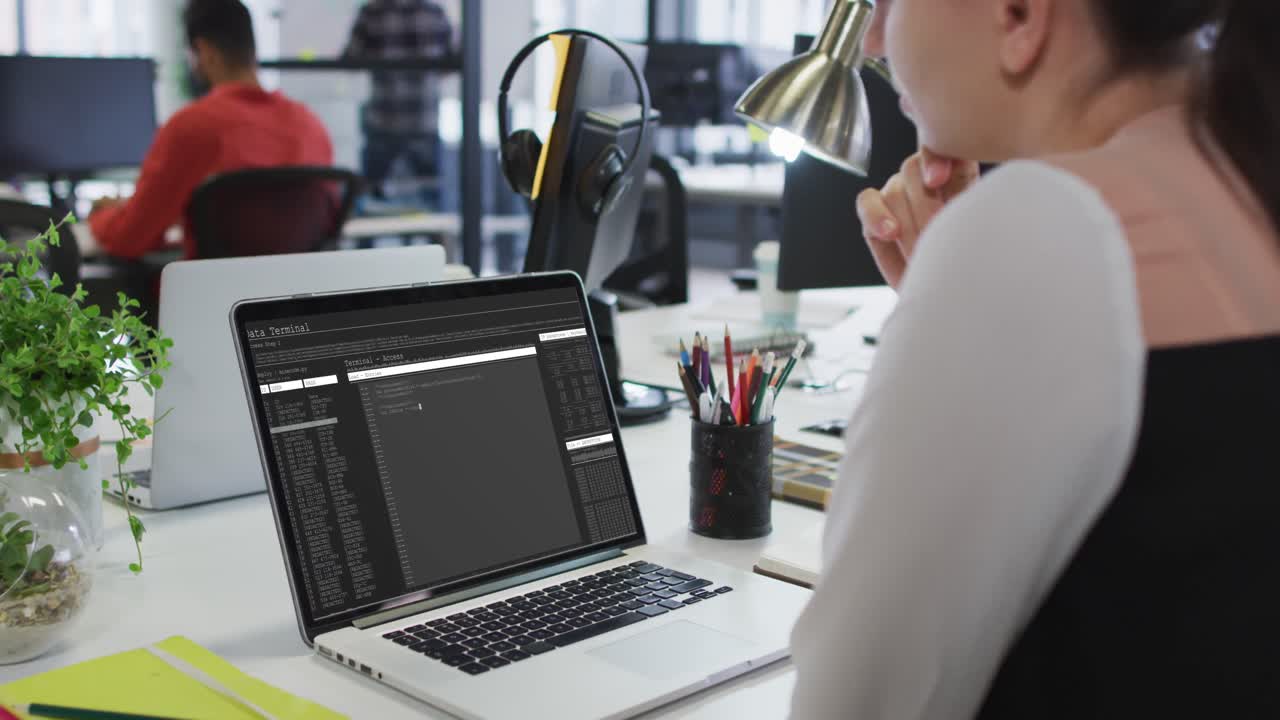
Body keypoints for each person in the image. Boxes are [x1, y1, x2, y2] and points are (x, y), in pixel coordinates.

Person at [790, 1, 1279, 718]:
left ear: (1020, 15)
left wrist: (969, 288)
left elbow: (855, 698)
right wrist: (954, 314)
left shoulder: (1044, 229)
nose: (871, 38)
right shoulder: (1247, 175)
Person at [89, 0, 333, 259]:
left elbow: (129, 238)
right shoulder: (311, 125)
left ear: (204, 51)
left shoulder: (192, 127)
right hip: (293, 295)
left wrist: (102, 214)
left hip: (210, 296)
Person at [342, 0, 453, 201]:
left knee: (370, 199)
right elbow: (453, 62)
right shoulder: (434, 12)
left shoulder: (372, 12)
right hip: (423, 120)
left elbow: (350, 60)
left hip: (384, 120)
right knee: (432, 201)